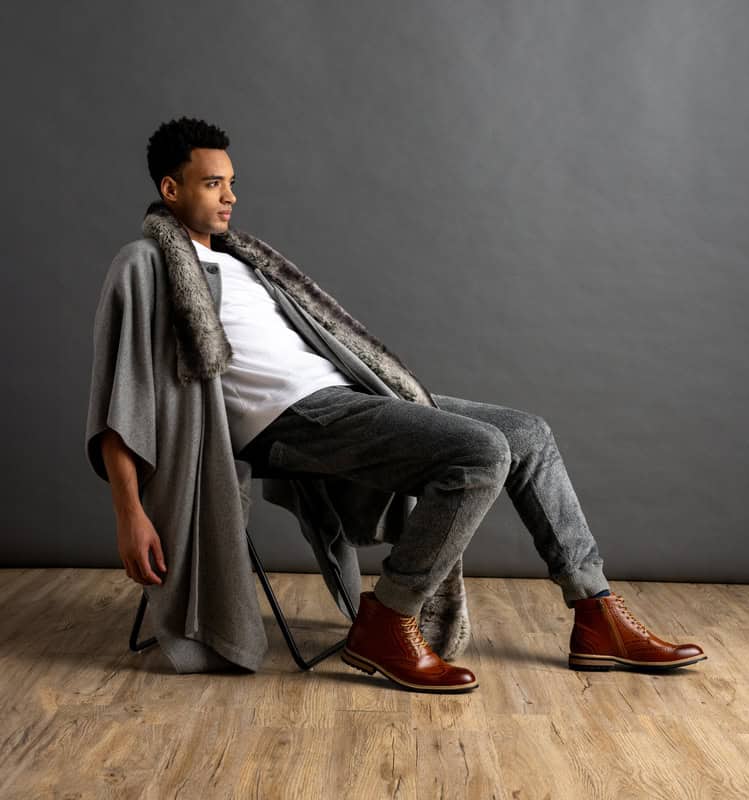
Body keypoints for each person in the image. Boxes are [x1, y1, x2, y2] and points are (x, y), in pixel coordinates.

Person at [94, 116, 706, 691]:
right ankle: (389, 620)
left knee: (527, 432)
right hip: (288, 421)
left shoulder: (245, 259)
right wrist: (130, 511)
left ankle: (596, 612)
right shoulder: (145, 265)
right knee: (480, 452)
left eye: (231, 183)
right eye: (211, 183)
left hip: (346, 396)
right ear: (171, 189)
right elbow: (124, 397)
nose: (229, 197)